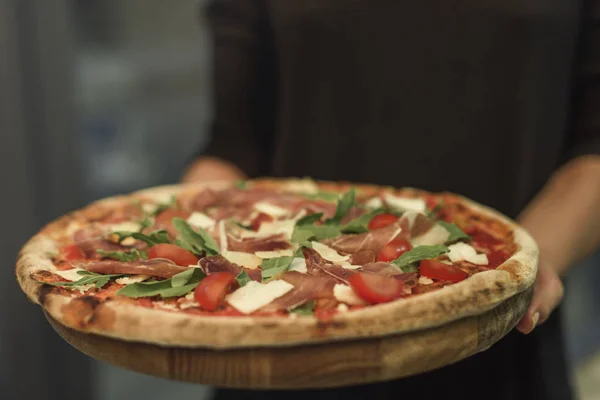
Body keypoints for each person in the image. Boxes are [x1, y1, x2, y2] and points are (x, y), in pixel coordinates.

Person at [183, 1, 600, 399]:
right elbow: (234, 146)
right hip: (279, 348)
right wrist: (166, 240)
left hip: (498, 358)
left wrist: (523, 262)